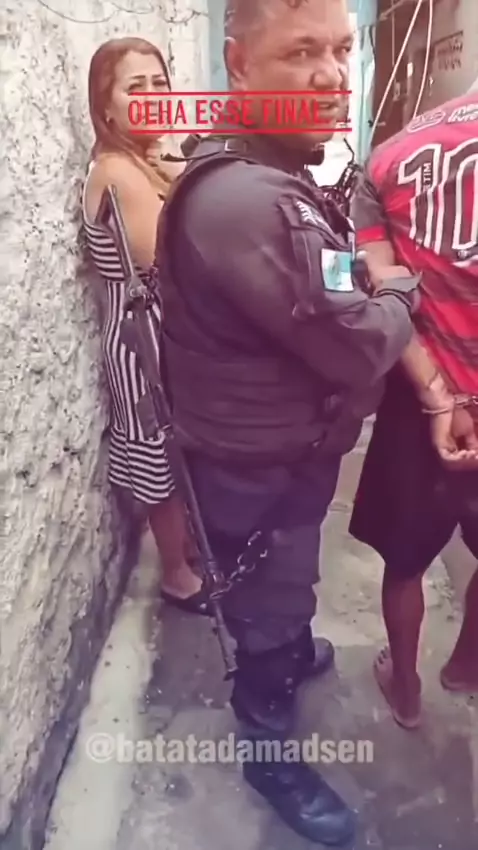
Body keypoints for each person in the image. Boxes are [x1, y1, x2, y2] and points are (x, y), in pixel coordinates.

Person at [154, 0, 421, 842]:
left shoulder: (273, 172)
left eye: (342, 50)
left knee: (289, 579)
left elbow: (327, 283)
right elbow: (357, 344)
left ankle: (290, 646)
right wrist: (401, 294)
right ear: (240, 67)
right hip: (254, 467)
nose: (333, 76)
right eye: (302, 52)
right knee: (266, 604)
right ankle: (269, 754)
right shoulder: (247, 200)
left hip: (286, 453)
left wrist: (362, 288)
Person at [349, 86, 478, 730]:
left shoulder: (388, 157)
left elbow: (380, 280)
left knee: (405, 561)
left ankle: (404, 688)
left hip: (420, 393)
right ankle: (467, 666)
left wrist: (439, 392)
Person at [82, 37, 210, 614]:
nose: (155, 96)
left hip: (163, 329)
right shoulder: (117, 171)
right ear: (106, 108)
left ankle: (192, 552)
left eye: (161, 83)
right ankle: (177, 575)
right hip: (142, 337)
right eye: (137, 88)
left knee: (180, 448)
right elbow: (171, 256)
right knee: (161, 455)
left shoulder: (144, 157)